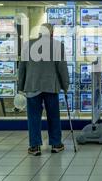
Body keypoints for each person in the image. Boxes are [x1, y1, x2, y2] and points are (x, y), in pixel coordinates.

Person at [18, 23, 69, 156]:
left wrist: (20, 87)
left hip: (32, 86)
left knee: (33, 117)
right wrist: (65, 86)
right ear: (52, 33)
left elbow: (22, 67)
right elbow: (62, 68)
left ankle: (35, 146)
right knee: (53, 115)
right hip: (51, 86)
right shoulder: (58, 45)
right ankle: (56, 144)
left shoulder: (27, 45)